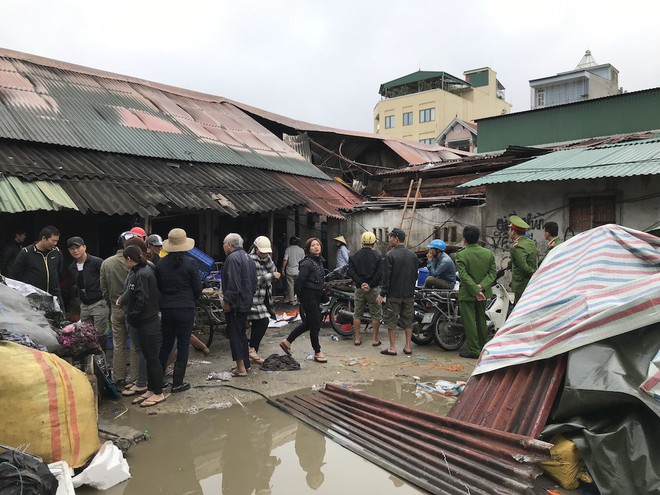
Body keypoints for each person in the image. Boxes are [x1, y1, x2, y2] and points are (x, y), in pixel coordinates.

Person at [154, 228, 201, 393]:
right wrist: (191, 300)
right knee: (183, 345)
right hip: (186, 308)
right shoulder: (191, 263)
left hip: (167, 308)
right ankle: (177, 383)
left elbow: (159, 287)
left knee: (166, 344)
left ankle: (158, 382)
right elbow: (197, 288)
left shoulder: (160, 264)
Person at [117, 244, 163, 407]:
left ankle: (158, 392)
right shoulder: (138, 272)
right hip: (143, 321)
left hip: (147, 321)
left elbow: (142, 300)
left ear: (129, 259)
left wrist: (132, 315)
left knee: (152, 358)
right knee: (148, 357)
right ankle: (150, 389)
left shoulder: (143, 273)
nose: (124, 262)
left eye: (125, 259)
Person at [280, 237, 327, 363]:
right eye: (313, 245)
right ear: (308, 249)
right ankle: (317, 352)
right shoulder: (307, 263)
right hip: (309, 296)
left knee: (310, 323)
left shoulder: (319, 261)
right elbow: (299, 282)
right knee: (315, 324)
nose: (316, 247)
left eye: (318, 244)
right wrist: (302, 298)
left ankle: (287, 341)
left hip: (316, 296)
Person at [100, 231, 138, 387]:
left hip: (116, 308)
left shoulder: (106, 263)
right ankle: (135, 377)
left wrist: (112, 304)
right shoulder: (139, 262)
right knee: (135, 344)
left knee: (118, 343)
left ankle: (119, 377)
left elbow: (104, 289)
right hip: (135, 308)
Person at [455, 226, 497, 359]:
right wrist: (481, 287)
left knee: (470, 322)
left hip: (468, 294)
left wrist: (474, 289)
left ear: (464, 239)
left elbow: (464, 276)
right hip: (483, 293)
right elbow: (492, 274)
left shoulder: (461, 255)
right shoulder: (488, 253)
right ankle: (482, 346)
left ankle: (473, 350)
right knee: (480, 320)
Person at [376, 228, 419, 356]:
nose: (389, 240)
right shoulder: (413, 255)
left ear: (396, 238)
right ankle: (408, 347)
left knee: (392, 320)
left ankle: (392, 348)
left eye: (390, 237)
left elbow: (386, 277)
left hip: (394, 294)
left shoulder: (390, 255)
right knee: (408, 320)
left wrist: (382, 293)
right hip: (409, 294)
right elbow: (415, 276)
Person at [222, 233, 257, 377]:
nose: (223, 246)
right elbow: (254, 282)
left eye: (224, 243)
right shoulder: (248, 257)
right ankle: (246, 364)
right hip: (246, 301)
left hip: (236, 303)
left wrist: (228, 301)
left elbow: (233, 283)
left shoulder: (232, 258)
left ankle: (240, 367)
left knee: (235, 335)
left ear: (230, 244)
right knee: (241, 333)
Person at [67, 236, 109, 349]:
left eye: (78, 247)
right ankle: (90, 359)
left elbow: (106, 279)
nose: (75, 251)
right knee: (86, 334)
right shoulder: (72, 267)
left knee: (100, 333)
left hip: (99, 301)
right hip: (84, 304)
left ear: (84, 247)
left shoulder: (96, 262)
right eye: (72, 249)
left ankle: (102, 359)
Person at [10, 225, 64, 308]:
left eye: (57, 241)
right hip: (33, 299)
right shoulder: (26, 252)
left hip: (53, 297)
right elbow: (15, 275)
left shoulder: (56, 252)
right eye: (53, 241)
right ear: (43, 238)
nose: (55, 244)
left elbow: (59, 271)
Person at [247, 236, 280, 364]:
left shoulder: (266, 258)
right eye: (262, 251)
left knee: (258, 324)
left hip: (264, 296)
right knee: (263, 321)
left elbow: (274, 270)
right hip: (253, 297)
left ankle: (253, 351)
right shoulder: (250, 260)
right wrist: (270, 276)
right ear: (256, 249)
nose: (265, 253)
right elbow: (253, 281)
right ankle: (251, 349)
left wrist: (267, 259)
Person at [347, 231, 383, 347]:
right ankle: (375, 339)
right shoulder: (378, 256)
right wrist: (370, 285)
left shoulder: (354, 256)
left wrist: (361, 283)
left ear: (362, 242)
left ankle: (357, 338)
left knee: (357, 313)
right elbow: (379, 274)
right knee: (375, 314)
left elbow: (351, 272)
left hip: (359, 289)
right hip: (373, 289)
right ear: (373, 242)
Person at [508, 215, 538, 305]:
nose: (509, 232)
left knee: (519, 306)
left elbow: (523, 266)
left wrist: (534, 274)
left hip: (521, 283)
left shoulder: (517, 247)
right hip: (530, 283)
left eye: (510, 230)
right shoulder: (529, 242)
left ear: (513, 232)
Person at [282, 236, 305, 304]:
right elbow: (303, 261)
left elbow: (285, 260)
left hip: (289, 270)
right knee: (299, 285)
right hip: (298, 270)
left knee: (290, 285)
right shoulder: (301, 250)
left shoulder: (288, 249)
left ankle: (291, 300)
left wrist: (283, 269)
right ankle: (299, 299)